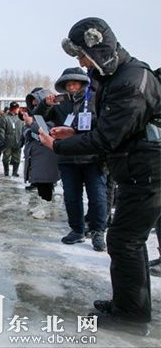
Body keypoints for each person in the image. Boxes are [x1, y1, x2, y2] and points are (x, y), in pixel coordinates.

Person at [39, 17, 161, 333]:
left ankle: (131, 317)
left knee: (124, 241)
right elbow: (112, 127)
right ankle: (127, 303)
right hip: (136, 170)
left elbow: (110, 138)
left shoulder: (132, 80)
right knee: (126, 240)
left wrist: (57, 146)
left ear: (99, 49)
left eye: (82, 56)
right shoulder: (117, 77)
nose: (81, 64)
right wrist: (72, 131)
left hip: (147, 172)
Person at [36, 67, 108, 251]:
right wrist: (45, 105)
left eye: (75, 83)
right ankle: (77, 230)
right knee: (71, 197)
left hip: (93, 157)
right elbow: (39, 117)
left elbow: (104, 125)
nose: (71, 87)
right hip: (67, 157)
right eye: (68, 84)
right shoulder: (60, 103)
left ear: (83, 83)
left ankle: (98, 231)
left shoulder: (95, 99)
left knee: (97, 196)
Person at [19, 107, 60, 219]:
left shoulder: (46, 121)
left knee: (45, 183)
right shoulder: (35, 121)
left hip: (45, 157)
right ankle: (42, 205)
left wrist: (32, 124)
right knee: (41, 183)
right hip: (37, 156)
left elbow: (45, 133)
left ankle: (45, 209)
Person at [0, 101, 23, 177]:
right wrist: (2, 140)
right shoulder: (5, 117)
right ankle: (6, 171)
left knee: (17, 158)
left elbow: (23, 129)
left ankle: (15, 172)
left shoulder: (20, 117)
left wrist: (23, 140)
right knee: (6, 158)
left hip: (18, 141)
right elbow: (1, 130)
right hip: (8, 142)